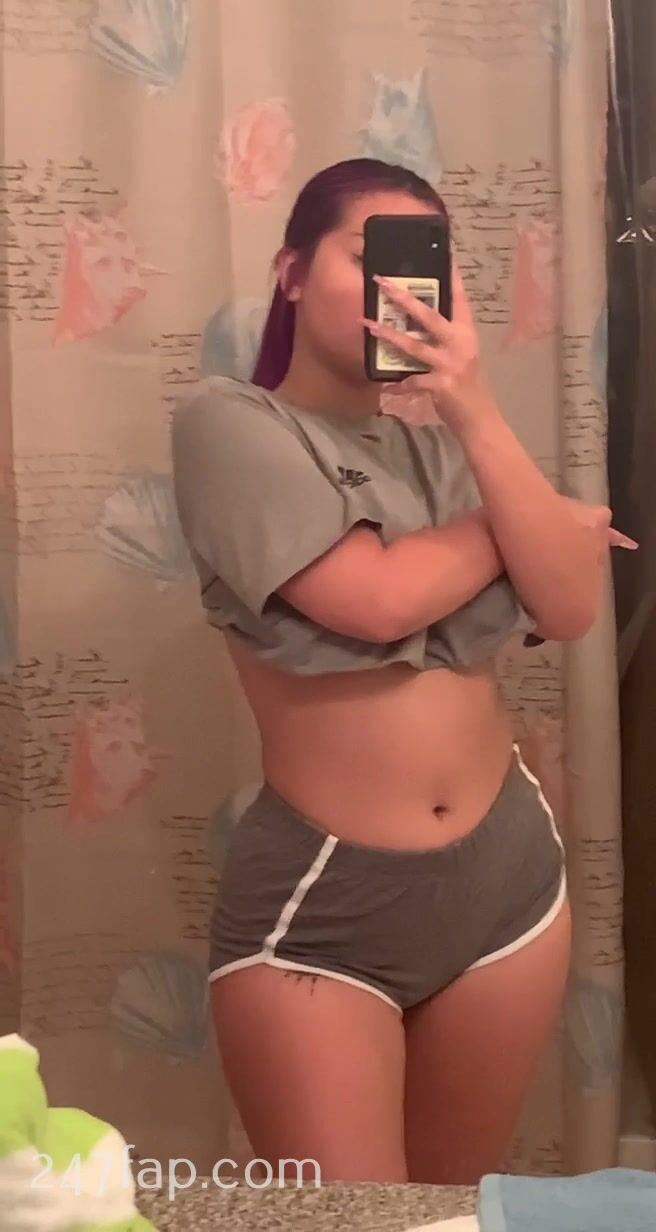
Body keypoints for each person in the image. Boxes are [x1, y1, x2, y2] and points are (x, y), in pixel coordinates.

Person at [171, 158, 631, 1184]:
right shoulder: (229, 423)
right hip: (325, 901)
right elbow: (370, 599)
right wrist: (521, 524)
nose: (401, 288)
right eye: (367, 254)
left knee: (448, 1212)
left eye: (424, 263)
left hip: (508, 884)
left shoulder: (443, 449)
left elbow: (567, 605)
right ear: (293, 271)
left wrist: (473, 409)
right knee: (351, 1220)